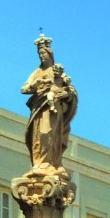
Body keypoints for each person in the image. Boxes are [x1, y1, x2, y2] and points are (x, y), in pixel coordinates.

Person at [21, 36, 77, 175]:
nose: (41, 56)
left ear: (50, 54)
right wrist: (36, 84)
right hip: (40, 108)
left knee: (52, 134)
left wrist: (65, 94)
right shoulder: (37, 72)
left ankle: (53, 163)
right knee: (41, 135)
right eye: (39, 54)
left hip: (54, 109)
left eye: (43, 53)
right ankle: (40, 163)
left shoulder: (58, 71)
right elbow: (24, 89)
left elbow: (71, 90)